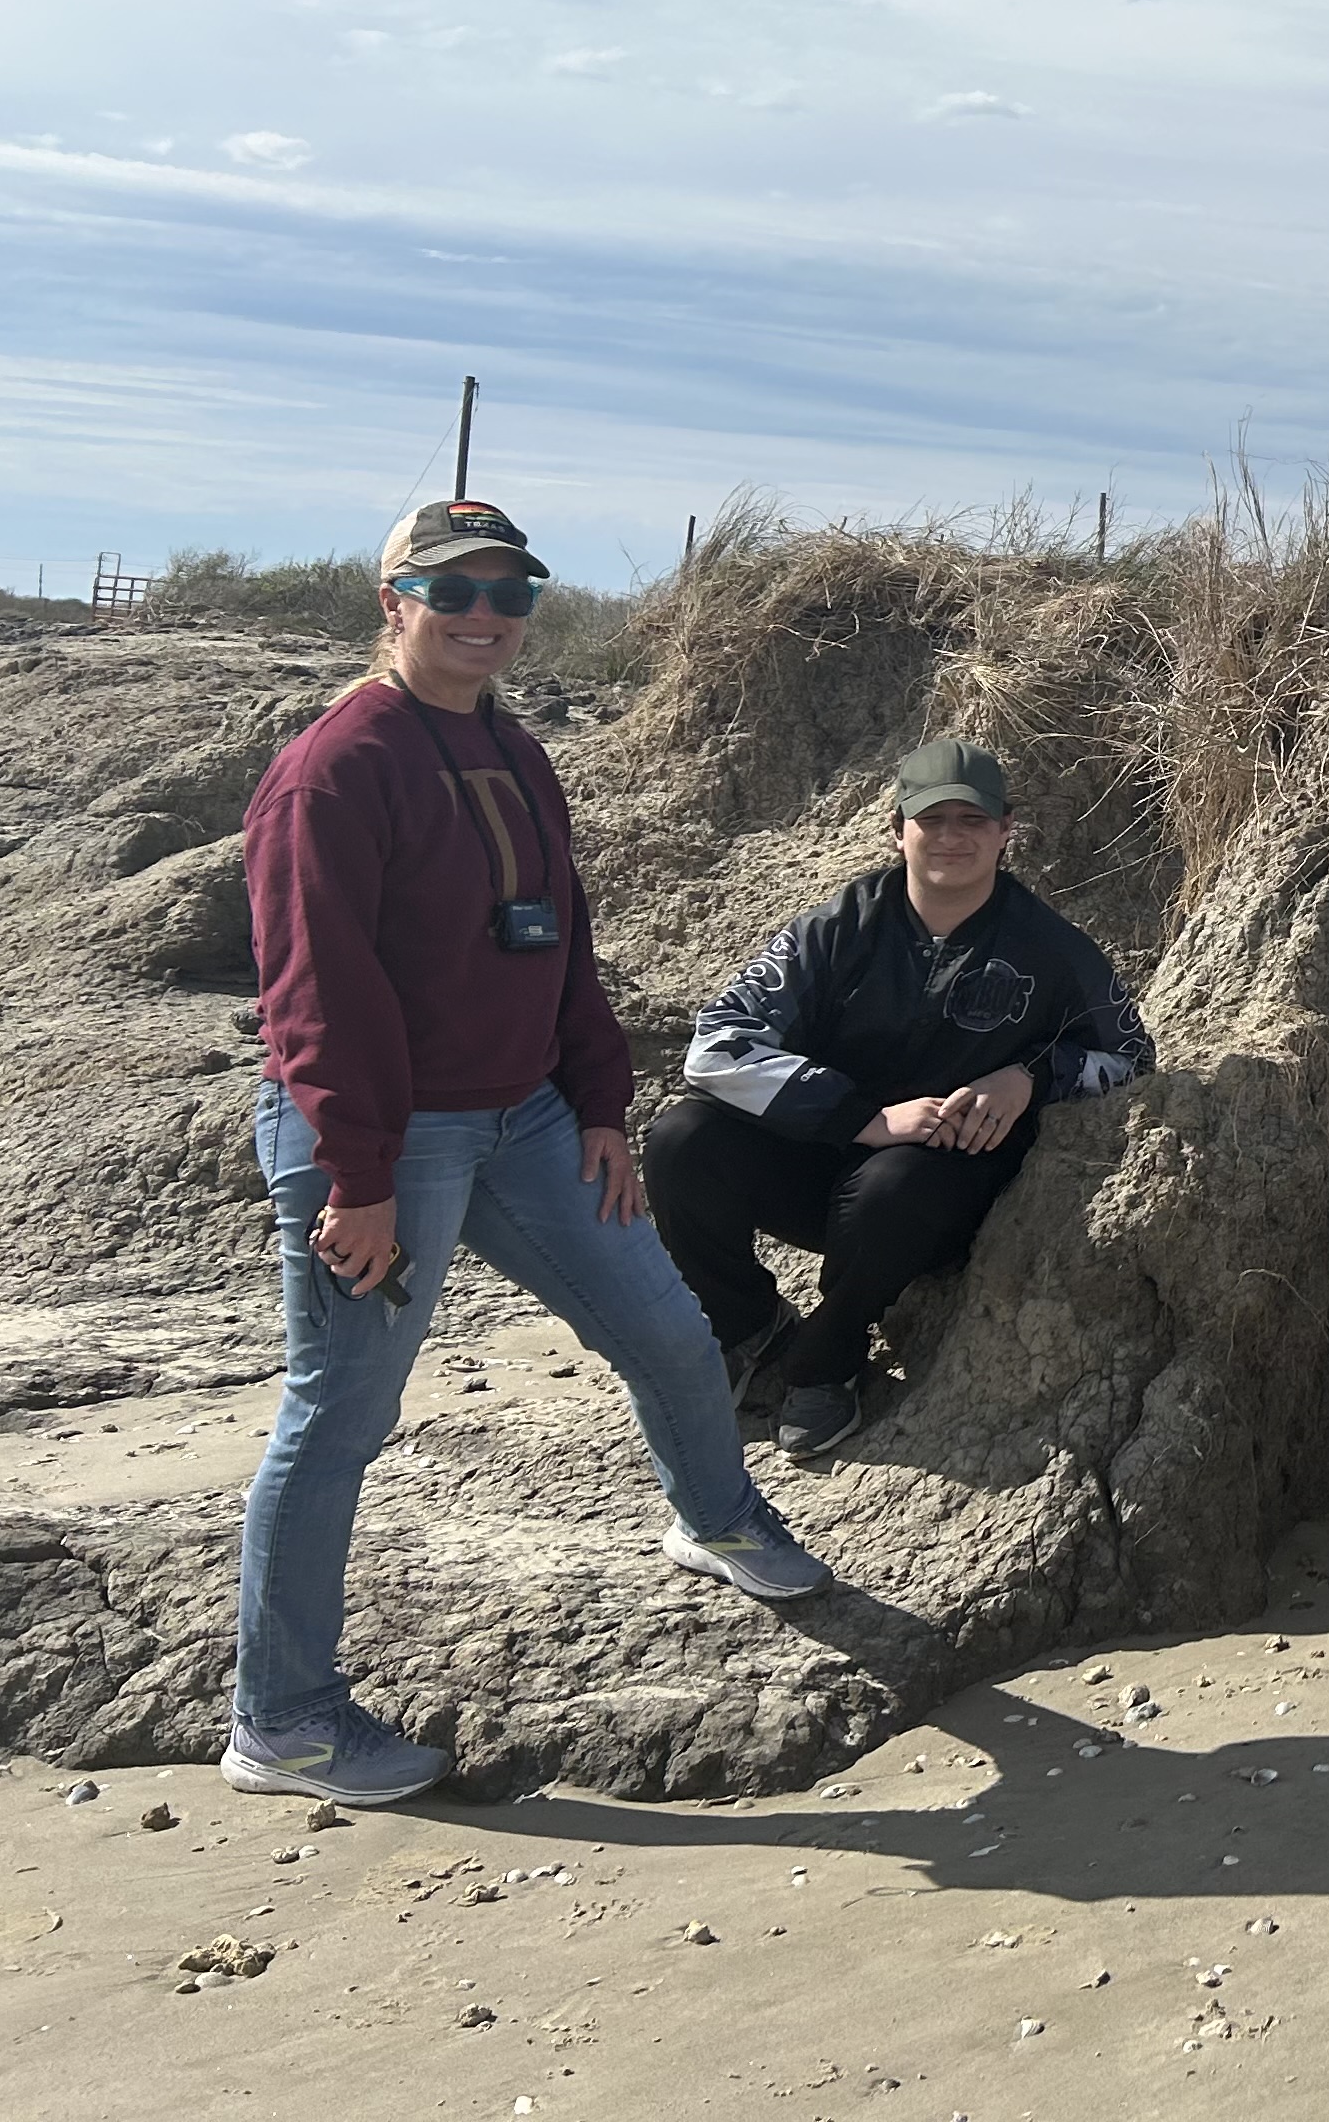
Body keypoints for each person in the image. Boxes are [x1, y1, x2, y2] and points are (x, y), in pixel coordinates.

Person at [228, 498, 828, 1807]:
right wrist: (357, 1180)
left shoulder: (512, 746)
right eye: (452, 592)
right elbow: (313, 991)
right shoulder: (336, 766)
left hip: (531, 1122)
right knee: (340, 1416)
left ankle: (718, 1518)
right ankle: (282, 1720)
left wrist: (600, 1106)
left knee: (667, 1329)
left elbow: (562, 939)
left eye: (511, 594)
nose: (485, 616)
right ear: (393, 602)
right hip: (386, 1145)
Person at [647, 738, 1158, 1460]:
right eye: (932, 819)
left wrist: (1032, 1077)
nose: (952, 837)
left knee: (893, 1186)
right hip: (828, 1154)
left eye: (973, 820)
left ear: (1006, 831)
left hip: (938, 1190)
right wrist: (859, 1117)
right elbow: (715, 1046)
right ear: (897, 829)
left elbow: (1133, 1059)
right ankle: (747, 1329)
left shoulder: (1054, 950)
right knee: (680, 1141)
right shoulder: (834, 931)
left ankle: (828, 1363)